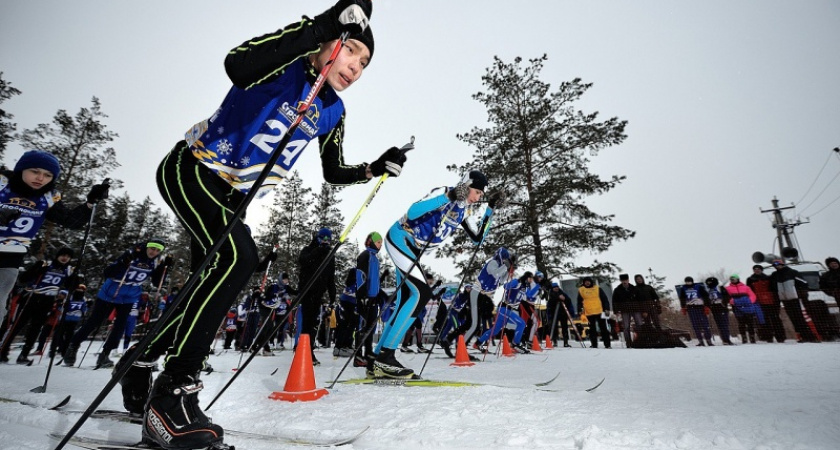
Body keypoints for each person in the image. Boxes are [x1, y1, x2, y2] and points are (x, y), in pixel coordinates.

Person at [116, 1, 409, 448]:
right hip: (194, 169)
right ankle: (173, 390)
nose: (356, 67)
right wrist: (322, 26)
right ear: (328, 42)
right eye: (351, 51)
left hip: (231, 199)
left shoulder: (333, 110)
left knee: (207, 285)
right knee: (238, 259)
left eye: (364, 63)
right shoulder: (288, 60)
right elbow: (237, 64)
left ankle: (142, 361)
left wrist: (374, 168)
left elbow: (333, 171)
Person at [373, 170, 498, 379]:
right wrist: (449, 196)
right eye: (477, 192)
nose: (478, 198)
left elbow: (477, 239)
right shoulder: (444, 192)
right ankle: (386, 357)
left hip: (411, 250)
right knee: (421, 294)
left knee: (407, 298)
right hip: (400, 237)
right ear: (466, 185)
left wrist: (490, 209)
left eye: (481, 195)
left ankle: (378, 357)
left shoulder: (463, 212)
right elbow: (413, 212)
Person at [0, 150, 107, 320]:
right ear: (22, 169)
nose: (40, 178)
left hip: (11, 255)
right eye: (34, 171)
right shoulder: (3, 183)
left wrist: (90, 202)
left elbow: (70, 221)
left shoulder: (48, 196)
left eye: (47, 175)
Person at [63, 240, 170, 368]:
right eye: (152, 248)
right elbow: (108, 273)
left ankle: (105, 354)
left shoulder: (155, 262)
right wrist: (124, 262)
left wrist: (164, 269)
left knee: (120, 325)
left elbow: (157, 282)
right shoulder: (132, 254)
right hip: (111, 292)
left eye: (158, 250)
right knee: (95, 321)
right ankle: (73, 345)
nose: (154, 252)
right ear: (146, 247)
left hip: (129, 296)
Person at [0, 246, 76, 364]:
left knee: (35, 329)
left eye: (68, 256)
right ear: (57, 255)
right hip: (32, 298)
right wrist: (37, 271)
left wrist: (70, 284)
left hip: (48, 301)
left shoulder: (69, 270)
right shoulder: (45, 264)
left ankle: (24, 354)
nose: (65, 258)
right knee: (16, 325)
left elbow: (72, 286)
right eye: (63, 255)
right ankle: (2, 351)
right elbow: (24, 278)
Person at [296, 227, 337, 365]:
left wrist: (332, 294)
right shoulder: (309, 249)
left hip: (318, 293)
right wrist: (318, 251)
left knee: (313, 323)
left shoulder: (329, 255)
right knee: (307, 323)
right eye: (323, 238)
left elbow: (331, 276)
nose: (326, 242)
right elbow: (303, 261)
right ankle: (305, 350)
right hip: (307, 291)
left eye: (328, 239)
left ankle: (307, 349)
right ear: (318, 237)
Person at [476, 272, 531, 354]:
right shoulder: (518, 283)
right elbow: (506, 286)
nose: (531, 280)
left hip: (509, 310)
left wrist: (540, 289)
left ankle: (478, 343)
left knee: (495, 331)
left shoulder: (524, 287)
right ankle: (515, 344)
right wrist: (515, 281)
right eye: (530, 278)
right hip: (504, 309)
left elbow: (529, 296)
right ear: (526, 277)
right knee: (521, 323)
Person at [768, 259, 817, 342]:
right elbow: (772, 288)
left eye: (778, 264)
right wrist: (777, 297)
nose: (777, 266)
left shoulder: (792, 272)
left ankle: (810, 337)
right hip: (785, 299)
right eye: (775, 265)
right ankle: (801, 336)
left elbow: (803, 283)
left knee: (800, 318)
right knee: (793, 318)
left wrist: (801, 294)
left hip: (795, 298)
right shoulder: (774, 275)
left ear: (782, 264)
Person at [747, 264, 785, 343]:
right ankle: (767, 337)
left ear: (761, 270)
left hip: (770, 301)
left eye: (758, 269)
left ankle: (780, 337)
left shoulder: (768, 278)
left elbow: (773, 289)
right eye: (755, 269)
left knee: (775, 319)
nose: (757, 270)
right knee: (763, 320)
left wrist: (775, 300)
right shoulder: (750, 279)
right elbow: (749, 291)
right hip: (758, 302)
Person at [50, 284, 88, 358]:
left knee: (69, 336)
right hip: (65, 319)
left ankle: (64, 351)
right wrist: (60, 303)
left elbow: (84, 309)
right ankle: (53, 350)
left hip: (74, 320)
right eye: (78, 289)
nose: (80, 290)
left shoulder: (83, 298)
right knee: (58, 334)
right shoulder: (69, 295)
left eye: (82, 289)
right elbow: (61, 297)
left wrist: (85, 310)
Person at [726, 274, 764, 344]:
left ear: (738, 279)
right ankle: (744, 337)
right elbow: (727, 297)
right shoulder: (728, 288)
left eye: (734, 279)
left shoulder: (746, 287)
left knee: (750, 323)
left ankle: (752, 337)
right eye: (731, 279)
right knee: (741, 323)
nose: (733, 280)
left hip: (748, 306)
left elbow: (752, 295)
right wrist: (733, 302)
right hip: (737, 307)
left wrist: (749, 302)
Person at [576, 277, 612, 349]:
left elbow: (604, 299)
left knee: (603, 328)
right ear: (584, 283)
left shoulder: (597, 288)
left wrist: (607, 308)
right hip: (589, 312)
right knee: (592, 330)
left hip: (600, 311)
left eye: (588, 281)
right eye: (586, 282)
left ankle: (607, 344)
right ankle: (594, 344)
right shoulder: (581, 290)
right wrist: (579, 310)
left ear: (591, 282)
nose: (587, 283)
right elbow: (579, 302)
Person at [678, 276, 713, 346]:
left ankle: (708, 340)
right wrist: (683, 307)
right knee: (695, 325)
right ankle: (700, 341)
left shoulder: (699, 287)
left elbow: (706, 296)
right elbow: (682, 298)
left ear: (692, 281)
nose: (688, 283)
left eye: (689, 281)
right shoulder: (683, 288)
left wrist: (707, 306)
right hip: (691, 308)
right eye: (687, 282)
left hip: (700, 307)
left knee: (705, 324)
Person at [612, 274, 641, 348]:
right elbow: (614, 301)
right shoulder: (617, 290)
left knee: (639, 325)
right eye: (623, 280)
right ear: (621, 281)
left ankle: (640, 340)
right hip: (624, 310)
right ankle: (629, 343)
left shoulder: (634, 288)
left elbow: (640, 299)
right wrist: (616, 311)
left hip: (635, 309)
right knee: (626, 327)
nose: (625, 282)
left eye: (626, 280)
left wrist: (641, 309)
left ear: (628, 280)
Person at [704, 277, 734, 345]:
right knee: (720, 324)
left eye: (710, 282)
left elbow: (727, 296)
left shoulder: (720, 288)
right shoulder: (707, 290)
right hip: (714, 308)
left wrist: (724, 303)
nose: (709, 284)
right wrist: (709, 306)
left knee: (725, 324)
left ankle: (727, 339)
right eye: (708, 283)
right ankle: (724, 339)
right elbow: (705, 299)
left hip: (722, 307)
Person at [546, 281, 575, 347]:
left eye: (557, 287)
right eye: (554, 287)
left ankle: (565, 341)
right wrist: (558, 298)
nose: (556, 288)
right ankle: (554, 341)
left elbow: (568, 300)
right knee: (554, 327)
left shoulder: (563, 293)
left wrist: (564, 299)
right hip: (553, 313)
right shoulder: (551, 294)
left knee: (564, 327)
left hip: (563, 313)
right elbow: (551, 302)